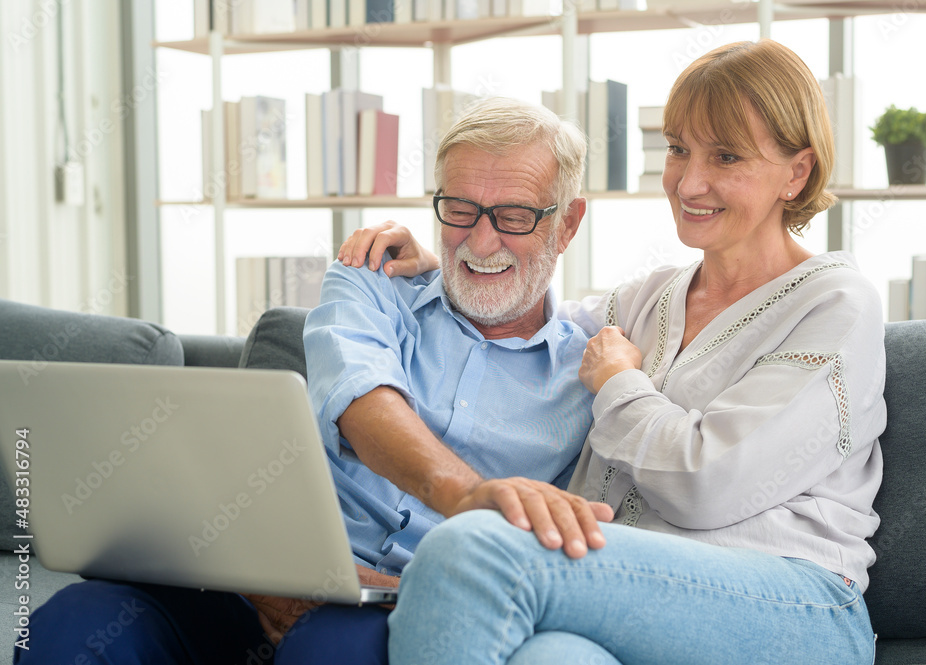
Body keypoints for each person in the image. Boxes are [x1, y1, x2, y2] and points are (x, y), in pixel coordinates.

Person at [15, 97, 612, 665]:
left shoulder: (588, 372)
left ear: (568, 224)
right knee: (74, 622)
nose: (480, 241)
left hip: (403, 604)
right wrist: (464, 495)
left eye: (512, 217)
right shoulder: (370, 285)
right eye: (459, 211)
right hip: (254, 583)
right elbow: (361, 399)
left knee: (329, 647)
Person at [344, 40, 885, 664]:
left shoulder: (835, 305)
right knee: (546, 658)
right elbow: (533, 322)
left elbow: (706, 484)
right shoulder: (650, 299)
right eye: (679, 148)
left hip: (793, 606)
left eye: (727, 156)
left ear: (797, 172)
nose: (689, 180)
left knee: (474, 549)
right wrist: (463, 259)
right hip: (634, 599)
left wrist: (620, 385)